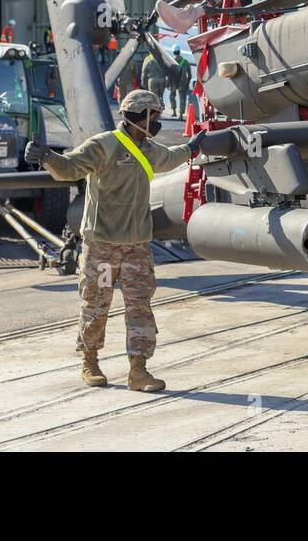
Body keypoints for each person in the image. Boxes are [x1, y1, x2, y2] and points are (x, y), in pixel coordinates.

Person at [25, 90, 203, 392]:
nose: (157, 122)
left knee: (140, 307)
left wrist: (193, 147)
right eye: (154, 116)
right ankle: (90, 361)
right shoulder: (104, 146)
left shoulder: (149, 148)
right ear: (139, 116)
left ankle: (139, 370)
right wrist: (46, 157)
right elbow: (69, 168)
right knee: (96, 305)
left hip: (137, 248)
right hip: (103, 249)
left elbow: (172, 158)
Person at [169, 47, 191, 120]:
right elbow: (190, 75)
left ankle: (174, 111)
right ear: (179, 51)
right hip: (182, 82)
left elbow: (168, 73)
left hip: (173, 82)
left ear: (173, 52)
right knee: (182, 98)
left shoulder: (171, 61)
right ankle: (181, 115)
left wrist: (168, 83)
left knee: (172, 96)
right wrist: (187, 83)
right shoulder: (185, 61)